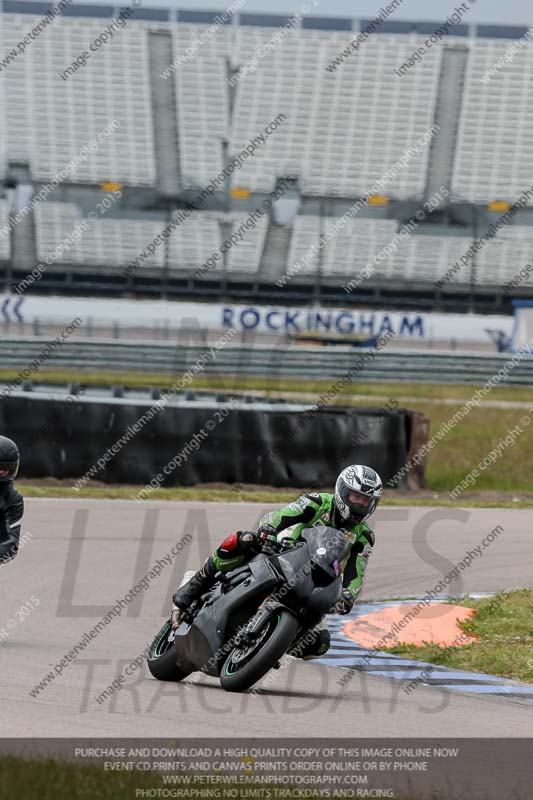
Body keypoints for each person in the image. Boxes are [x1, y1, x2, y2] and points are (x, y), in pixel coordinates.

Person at [171, 465, 382, 658]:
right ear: (342, 491)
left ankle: (270, 648)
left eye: (366, 501)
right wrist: (268, 529)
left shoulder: (364, 536)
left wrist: (348, 595)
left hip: (317, 581)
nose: (360, 504)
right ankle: (196, 584)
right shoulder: (317, 502)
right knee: (244, 540)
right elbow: (280, 516)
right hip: (284, 553)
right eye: (356, 497)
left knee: (320, 642)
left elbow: (356, 573)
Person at [0, 436, 24, 565]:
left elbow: (11, 544)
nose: (3, 471)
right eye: (0, 467)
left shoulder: (13, 500)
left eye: (7, 468)